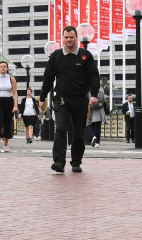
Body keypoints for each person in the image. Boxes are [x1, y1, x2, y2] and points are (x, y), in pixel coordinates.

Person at [40, 25, 100, 173]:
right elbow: (48, 78)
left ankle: (76, 162)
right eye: (66, 37)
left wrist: (94, 94)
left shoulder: (85, 56)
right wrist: (42, 98)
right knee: (61, 129)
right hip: (62, 100)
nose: (69, 40)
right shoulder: (56, 56)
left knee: (78, 133)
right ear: (63, 38)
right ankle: (59, 162)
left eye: (71, 37)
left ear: (76, 38)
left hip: (80, 100)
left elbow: (94, 75)